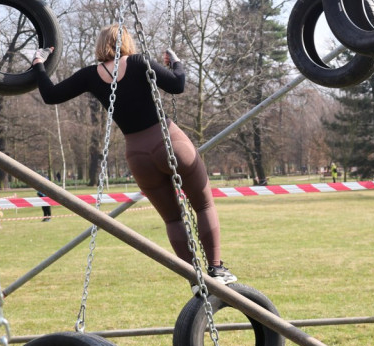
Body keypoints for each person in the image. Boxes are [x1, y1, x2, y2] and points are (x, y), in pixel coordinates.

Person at [32, 25, 236, 289]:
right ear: (126, 42)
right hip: (169, 141)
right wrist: (177, 63)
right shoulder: (139, 62)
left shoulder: (89, 76)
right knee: (204, 205)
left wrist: (38, 63)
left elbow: (50, 95)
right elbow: (178, 85)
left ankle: (194, 280)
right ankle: (216, 269)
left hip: (138, 155)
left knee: (173, 219)